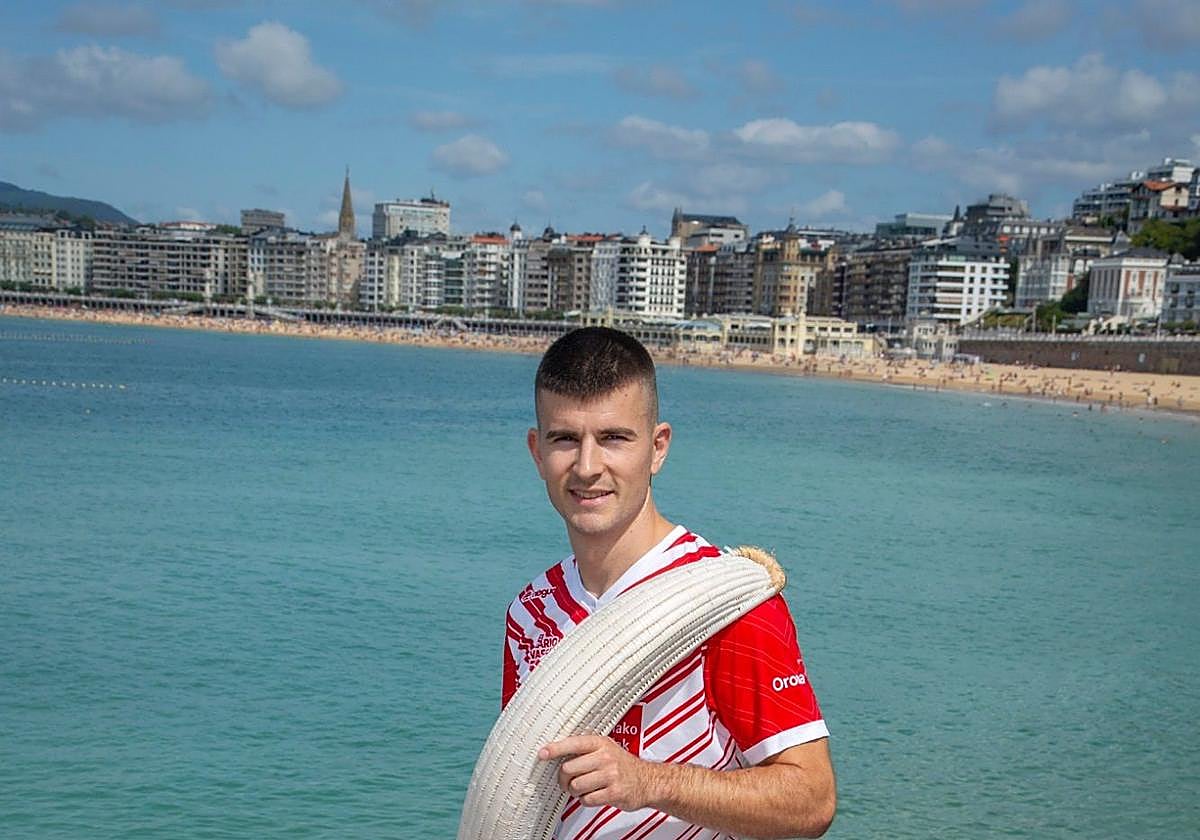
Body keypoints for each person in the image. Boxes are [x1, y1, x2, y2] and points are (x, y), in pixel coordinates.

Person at [503, 326, 835, 839]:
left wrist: (648, 782)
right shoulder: (531, 612)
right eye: (565, 439)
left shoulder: (726, 602)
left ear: (658, 448)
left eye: (614, 438)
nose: (588, 467)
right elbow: (519, 791)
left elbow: (811, 801)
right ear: (536, 451)